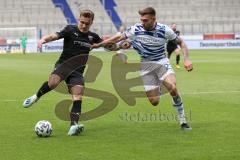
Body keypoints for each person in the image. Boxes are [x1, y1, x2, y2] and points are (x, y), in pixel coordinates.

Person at [92, 7, 193, 130]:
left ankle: (182, 121)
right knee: (154, 101)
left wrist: (186, 59)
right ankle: (159, 84)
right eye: (141, 20)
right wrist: (102, 44)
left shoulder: (165, 30)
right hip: (146, 66)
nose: (142, 22)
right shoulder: (136, 30)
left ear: (153, 19)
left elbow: (181, 43)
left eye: (145, 20)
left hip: (162, 62)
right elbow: (119, 40)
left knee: (172, 88)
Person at [22, 9, 103, 136]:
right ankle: (36, 96)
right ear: (79, 19)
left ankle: (73, 126)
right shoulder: (70, 30)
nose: (84, 25)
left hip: (77, 72)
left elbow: (108, 46)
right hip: (64, 65)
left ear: (92, 22)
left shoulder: (93, 37)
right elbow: (55, 35)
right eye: (82, 22)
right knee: (53, 83)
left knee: (78, 95)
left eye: (87, 23)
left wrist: (119, 45)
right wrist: (44, 39)